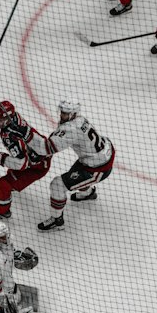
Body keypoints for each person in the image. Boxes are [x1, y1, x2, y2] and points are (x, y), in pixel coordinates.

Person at [0, 97, 51, 222]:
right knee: (10, 176)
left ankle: (3, 212)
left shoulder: (13, 137)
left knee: (3, 185)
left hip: (37, 167)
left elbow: (22, 164)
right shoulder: (10, 119)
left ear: (7, 119)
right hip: (37, 154)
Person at [38, 97, 115, 232]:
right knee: (75, 175)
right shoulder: (80, 120)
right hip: (98, 157)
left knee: (57, 185)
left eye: (65, 113)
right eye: (62, 112)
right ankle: (88, 194)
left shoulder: (70, 129)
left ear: (73, 114)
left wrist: (31, 140)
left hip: (97, 168)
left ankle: (57, 221)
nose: (62, 115)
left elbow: (48, 148)